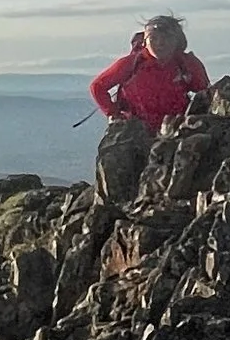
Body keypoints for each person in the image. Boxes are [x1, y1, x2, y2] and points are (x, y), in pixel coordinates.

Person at [90, 14, 211, 206]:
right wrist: (113, 114)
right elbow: (98, 86)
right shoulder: (131, 63)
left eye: (166, 38)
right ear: (145, 41)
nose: (159, 44)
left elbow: (205, 92)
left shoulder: (186, 64)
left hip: (173, 132)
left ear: (177, 41)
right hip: (135, 131)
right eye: (153, 38)